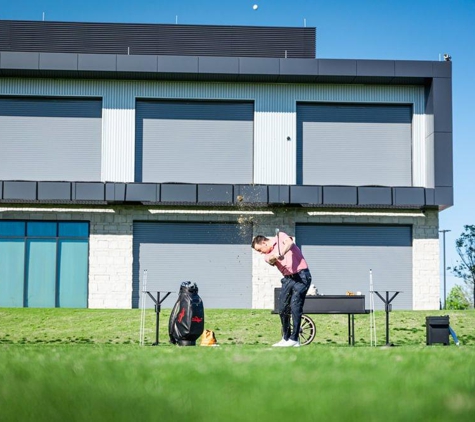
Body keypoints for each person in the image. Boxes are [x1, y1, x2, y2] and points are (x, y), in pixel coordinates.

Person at [252, 231, 312, 347]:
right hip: (288, 279)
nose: (260, 253)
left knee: (295, 306)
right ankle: (286, 338)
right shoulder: (266, 256)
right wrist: (276, 256)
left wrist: (282, 251)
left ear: (264, 242)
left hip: (302, 276)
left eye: (259, 250)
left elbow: (289, 243)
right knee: (282, 308)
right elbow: (271, 260)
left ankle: (294, 339)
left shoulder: (280, 236)